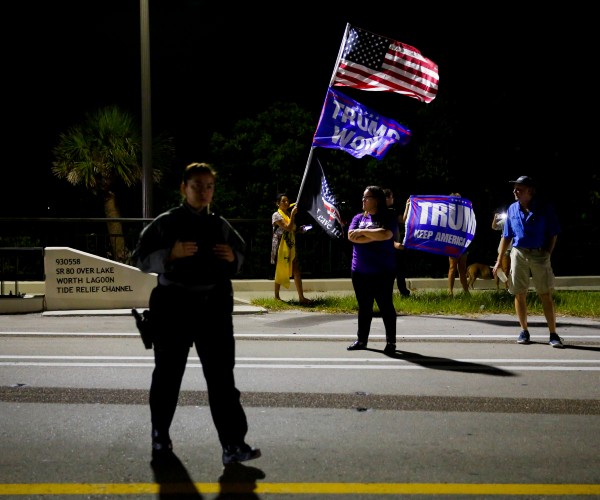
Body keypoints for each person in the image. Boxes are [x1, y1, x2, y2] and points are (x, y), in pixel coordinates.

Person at [132, 162, 261, 464]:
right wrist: (169, 255)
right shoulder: (166, 223)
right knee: (167, 377)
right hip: (173, 308)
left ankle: (233, 445)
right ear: (183, 188)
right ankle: (160, 437)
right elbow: (138, 258)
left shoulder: (220, 224)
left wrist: (234, 258)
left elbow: (243, 255)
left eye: (209, 186)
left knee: (221, 380)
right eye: (197, 185)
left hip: (213, 310)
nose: (203, 191)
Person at [492, 175, 562, 347]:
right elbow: (506, 236)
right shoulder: (512, 209)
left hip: (539, 254)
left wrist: (547, 253)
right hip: (518, 253)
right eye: (515, 188)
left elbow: (553, 233)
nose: (515, 191)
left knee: (545, 293)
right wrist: (499, 261)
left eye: (519, 188)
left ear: (530, 191)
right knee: (519, 292)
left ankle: (553, 334)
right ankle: (524, 330)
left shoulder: (544, 208)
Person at [346, 185, 398, 355]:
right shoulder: (358, 217)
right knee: (364, 307)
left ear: (376, 200)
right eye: (363, 197)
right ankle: (362, 340)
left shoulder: (388, 216)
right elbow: (352, 237)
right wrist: (371, 236)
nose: (363, 200)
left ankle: (391, 342)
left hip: (383, 271)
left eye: (366, 197)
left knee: (385, 306)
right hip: (359, 271)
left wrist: (363, 232)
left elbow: (386, 235)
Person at [271, 193, 311, 305]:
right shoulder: (276, 215)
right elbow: (287, 227)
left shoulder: (288, 214)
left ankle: (301, 297)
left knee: (296, 269)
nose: (286, 203)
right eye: (283, 201)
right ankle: (277, 296)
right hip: (280, 246)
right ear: (277, 203)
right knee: (280, 269)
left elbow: (292, 229)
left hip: (290, 245)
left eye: (287, 201)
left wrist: (299, 230)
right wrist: (293, 215)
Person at [384, 188, 410, 297]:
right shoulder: (380, 214)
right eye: (391, 196)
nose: (393, 198)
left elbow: (403, 219)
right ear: (386, 198)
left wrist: (408, 206)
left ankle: (404, 292)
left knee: (400, 271)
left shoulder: (392, 211)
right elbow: (382, 233)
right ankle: (385, 294)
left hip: (396, 247)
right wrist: (394, 243)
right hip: (387, 248)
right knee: (388, 273)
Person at [447, 193, 470, 296]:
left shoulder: (464, 211)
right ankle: (450, 291)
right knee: (452, 267)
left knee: (462, 269)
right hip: (453, 243)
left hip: (463, 244)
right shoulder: (449, 212)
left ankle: (466, 291)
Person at [491, 209, 511, 289]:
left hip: (516, 248)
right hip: (505, 248)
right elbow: (494, 227)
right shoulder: (505, 221)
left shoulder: (518, 219)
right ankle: (502, 287)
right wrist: (495, 218)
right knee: (502, 268)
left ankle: (509, 286)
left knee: (509, 268)